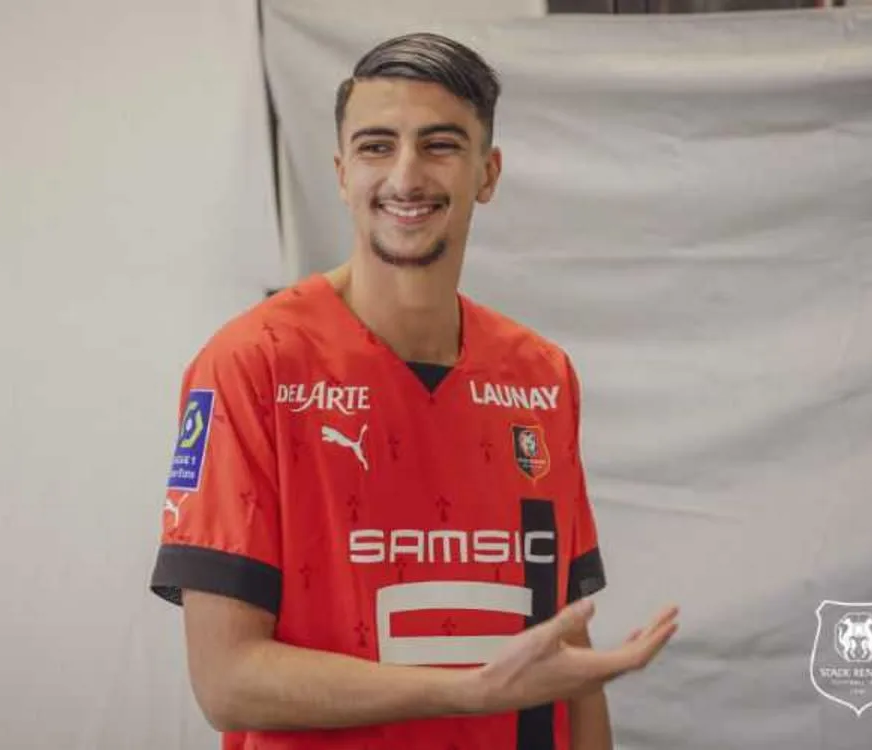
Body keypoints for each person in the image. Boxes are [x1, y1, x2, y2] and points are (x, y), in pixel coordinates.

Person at [150, 31, 679, 750]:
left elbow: (568, 653)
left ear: (487, 173)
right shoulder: (253, 365)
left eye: (440, 145)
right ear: (342, 173)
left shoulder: (541, 375)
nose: (406, 175)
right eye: (376, 146)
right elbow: (226, 681)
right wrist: (464, 691)